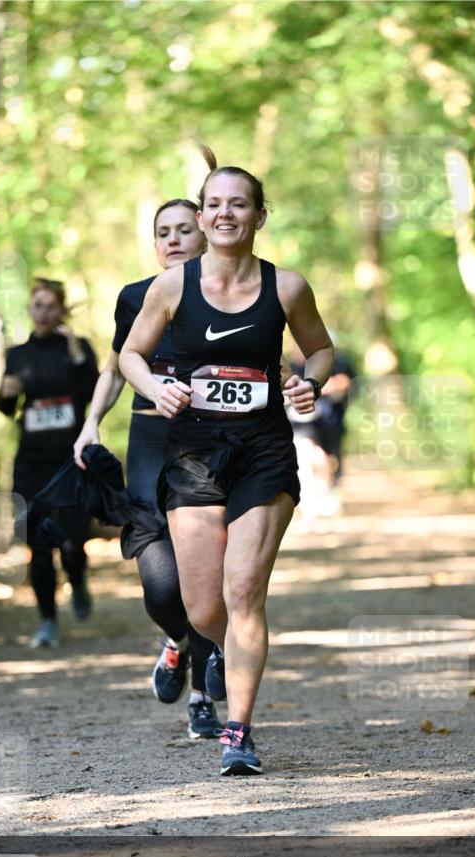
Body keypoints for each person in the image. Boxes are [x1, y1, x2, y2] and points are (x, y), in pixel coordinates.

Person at [119, 146, 334, 776]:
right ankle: (211, 650)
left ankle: (237, 731)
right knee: (203, 608)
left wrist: (309, 382)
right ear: (202, 212)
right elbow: (132, 354)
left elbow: (320, 350)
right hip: (193, 455)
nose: (224, 213)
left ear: (259, 216)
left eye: (238, 203)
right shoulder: (171, 285)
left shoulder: (286, 286)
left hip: (264, 453)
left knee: (244, 590)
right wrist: (156, 388)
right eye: (214, 203)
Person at [73, 200, 220, 740]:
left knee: (205, 576)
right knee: (161, 586)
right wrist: (91, 424)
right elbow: (116, 369)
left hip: (209, 446)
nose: (174, 239)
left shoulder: (228, 295)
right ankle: (178, 643)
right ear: (154, 242)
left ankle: (203, 698)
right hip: (149, 443)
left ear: (204, 233)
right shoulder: (135, 297)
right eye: (164, 232)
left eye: (185, 229)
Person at [0, 278, 98, 649]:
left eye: (50, 306)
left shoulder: (79, 348)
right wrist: (5, 395)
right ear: (29, 309)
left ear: (61, 310)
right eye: (37, 305)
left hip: (71, 458)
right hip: (32, 461)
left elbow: (92, 394)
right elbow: (7, 406)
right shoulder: (18, 354)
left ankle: (79, 580)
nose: (43, 312)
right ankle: (47, 622)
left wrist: (76, 353)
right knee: (38, 544)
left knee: (72, 542)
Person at [287, 335, 355, 523]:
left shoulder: (338, 362)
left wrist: (313, 388)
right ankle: (310, 501)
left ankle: (325, 493)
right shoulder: (290, 364)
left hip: (329, 421)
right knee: (307, 454)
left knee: (327, 459)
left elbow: (344, 382)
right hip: (301, 422)